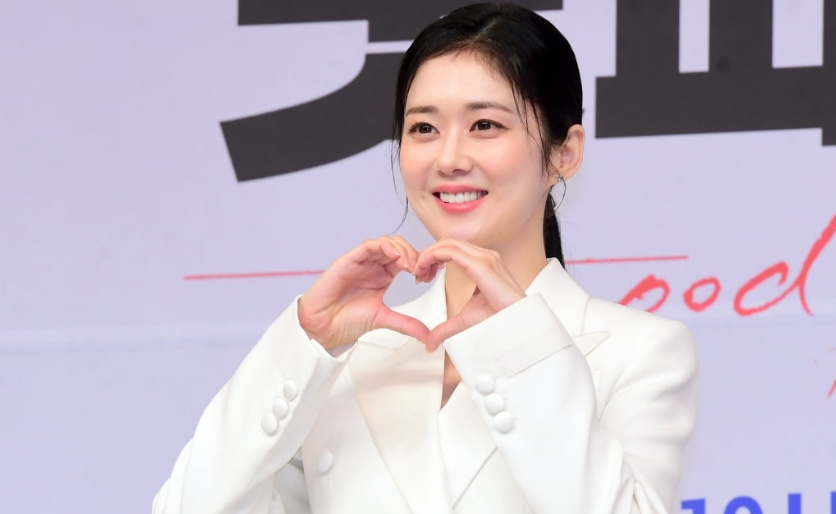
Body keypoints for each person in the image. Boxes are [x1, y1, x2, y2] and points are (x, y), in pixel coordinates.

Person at [152, 3, 698, 513]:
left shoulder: (638, 352)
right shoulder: (352, 359)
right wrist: (305, 342)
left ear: (565, 152)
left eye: (485, 125)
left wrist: (518, 339)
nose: (449, 158)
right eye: (424, 129)